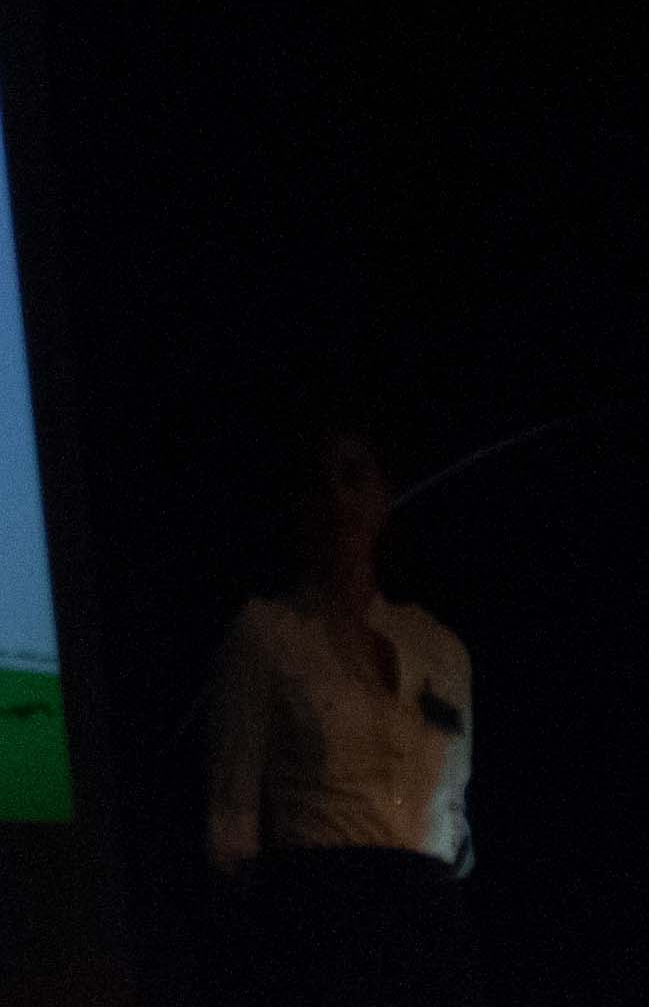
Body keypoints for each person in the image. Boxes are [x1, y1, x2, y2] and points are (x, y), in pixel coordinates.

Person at [205, 422, 480, 1007]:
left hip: (428, 925)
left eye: (353, 478)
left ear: (384, 497)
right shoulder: (266, 635)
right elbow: (232, 822)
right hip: (320, 923)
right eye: (318, 484)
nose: (336, 500)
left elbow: (454, 814)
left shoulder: (441, 649)